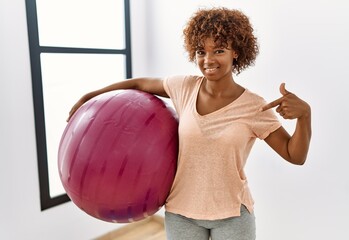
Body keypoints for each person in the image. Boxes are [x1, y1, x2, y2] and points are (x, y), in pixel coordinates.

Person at [68, 7, 311, 240]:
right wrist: (91, 96)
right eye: (200, 51)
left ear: (236, 51)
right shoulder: (184, 87)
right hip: (182, 212)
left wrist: (304, 116)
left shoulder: (254, 106)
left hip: (232, 214)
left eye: (219, 50)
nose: (208, 60)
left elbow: (294, 155)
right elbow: (139, 84)